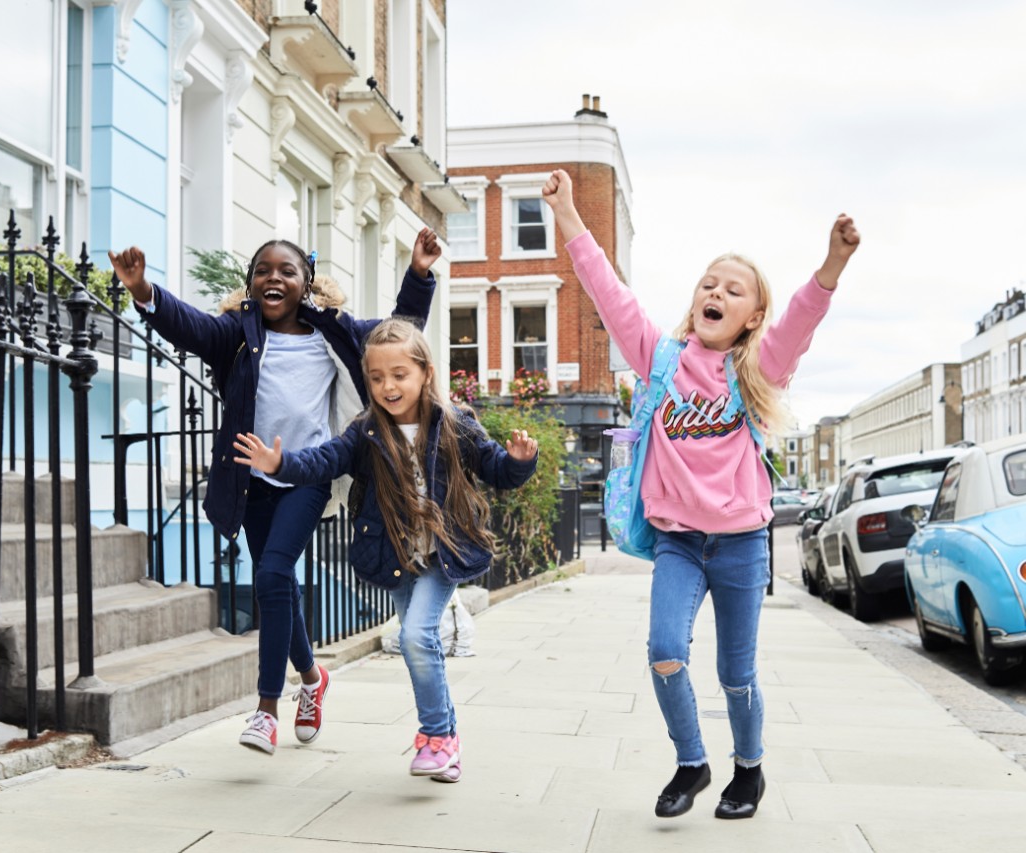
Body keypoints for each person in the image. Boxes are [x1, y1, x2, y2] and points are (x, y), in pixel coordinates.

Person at [542, 169, 859, 819]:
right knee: (664, 652)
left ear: (752, 315)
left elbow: (800, 322)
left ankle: (749, 770)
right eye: (708, 284)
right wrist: (568, 212)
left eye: (733, 288)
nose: (716, 292)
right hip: (679, 544)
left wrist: (832, 262)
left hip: (741, 544)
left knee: (736, 675)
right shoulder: (660, 357)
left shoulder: (757, 368)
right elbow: (607, 289)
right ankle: (692, 761)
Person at [108, 230, 441, 755]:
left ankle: (266, 709)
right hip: (249, 478)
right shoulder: (235, 334)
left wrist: (419, 274)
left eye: (287, 271)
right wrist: (144, 291)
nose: (274, 278)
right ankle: (312, 678)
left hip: (306, 474)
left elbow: (398, 331)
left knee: (271, 574)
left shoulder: (335, 332)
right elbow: (190, 327)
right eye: (263, 270)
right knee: (274, 584)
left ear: (305, 283)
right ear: (250, 284)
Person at [231, 318, 539, 783]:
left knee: (416, 638)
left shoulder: (455, 424)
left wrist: (520, 462)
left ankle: (436, 737)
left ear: (425, 374)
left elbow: (496, 469)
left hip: (441, 553)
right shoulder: (365, 432)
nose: (388, 386)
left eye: (399, 375)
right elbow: (324, 459)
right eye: (376, 378)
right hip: (395, 556)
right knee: (421, 645)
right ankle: (445, 742)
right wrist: (282, 463)